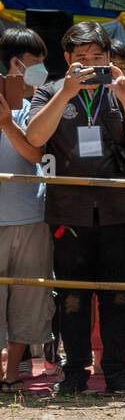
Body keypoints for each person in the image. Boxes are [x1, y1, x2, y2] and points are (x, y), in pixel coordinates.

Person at [26, 21, 125, 396]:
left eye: (97, 57)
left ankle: (116, 373)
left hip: (119, 211)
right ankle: (75, 374)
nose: (89, 65)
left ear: (108, 57)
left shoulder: (123, 91)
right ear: (67, 59)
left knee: (116, 296)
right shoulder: (50, 91)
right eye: (80, 58)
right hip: (69, 212)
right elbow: (35, 137)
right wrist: (64, 95)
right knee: (72, 296)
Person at [0, 27, 53, 393]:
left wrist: (7, 122)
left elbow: (35, 153)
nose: (41, 70)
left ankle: (12, 372)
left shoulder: (40, 104)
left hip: (33, 215)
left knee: (29, 298)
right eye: (35, 63)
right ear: (14, 63)